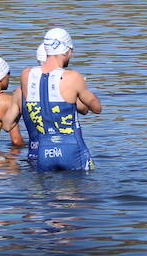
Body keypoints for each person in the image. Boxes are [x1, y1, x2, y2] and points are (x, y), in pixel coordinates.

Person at [20, 28, 102, 171]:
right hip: (72, 149)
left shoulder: (26, 75)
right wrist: (81, 88)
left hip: (44, 151)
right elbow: (96, 108)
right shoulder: (73, 77)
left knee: (47, 192)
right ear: (65, 51)